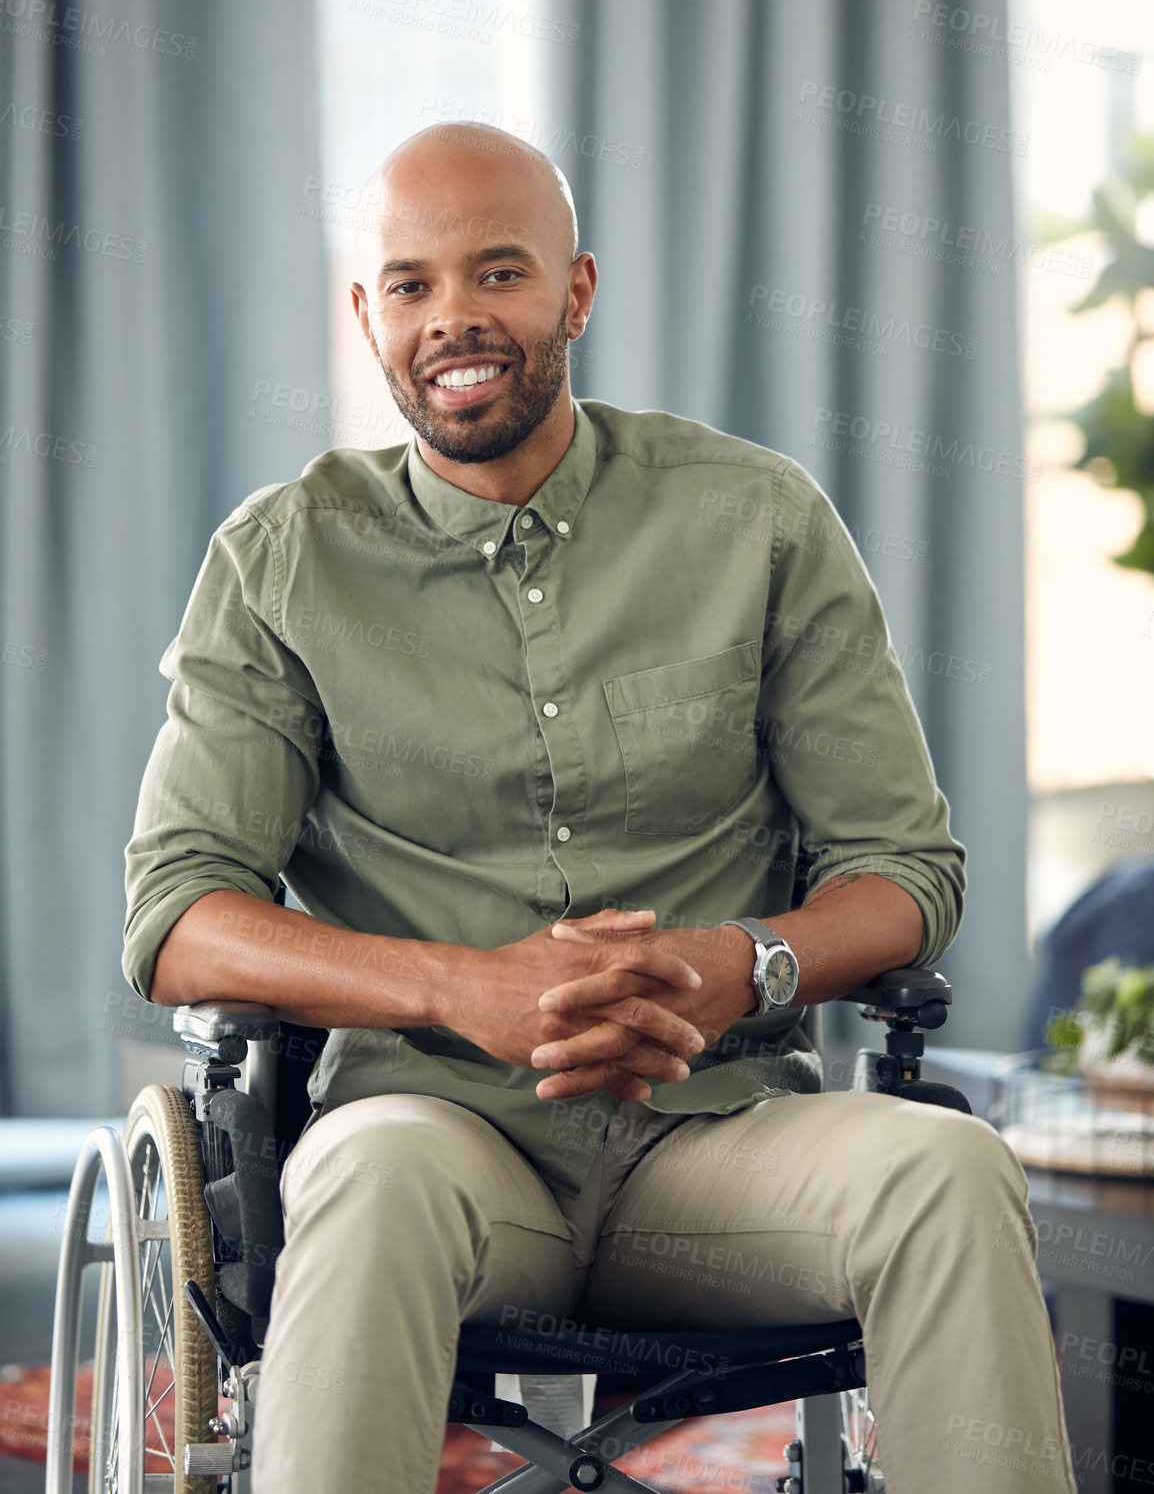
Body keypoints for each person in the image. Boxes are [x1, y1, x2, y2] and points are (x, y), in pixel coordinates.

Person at [125, 123, 1077, 1492]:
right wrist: (462, 989)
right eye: (409, 285)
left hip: (720, 1139)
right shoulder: (283, 559)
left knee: (950, 1171)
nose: (453, 318)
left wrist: (733, 965)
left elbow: (903, 868)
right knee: (363, 1171)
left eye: (497, 274)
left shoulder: (752, 520)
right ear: (366, 316)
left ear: (574, 292)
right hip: (439, 1138)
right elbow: (177, 921)